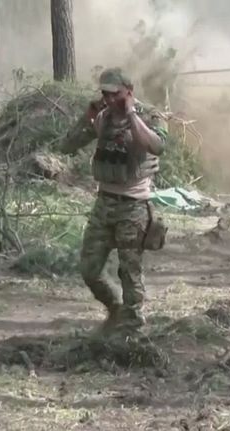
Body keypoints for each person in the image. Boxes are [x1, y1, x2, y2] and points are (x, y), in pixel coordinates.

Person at [57, 67, 168, 333]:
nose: (109, 99)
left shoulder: (150, 116)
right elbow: (67, 146)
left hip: (133, 207)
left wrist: (131, 115)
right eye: (105, 94)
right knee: (90, 268)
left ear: (129, 92)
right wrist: (87, 118)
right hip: (104, 204)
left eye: (115, 94)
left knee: (130, 271)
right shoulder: (103, 117)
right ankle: (115, 309)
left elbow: (157, 146)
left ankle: (132, 326)